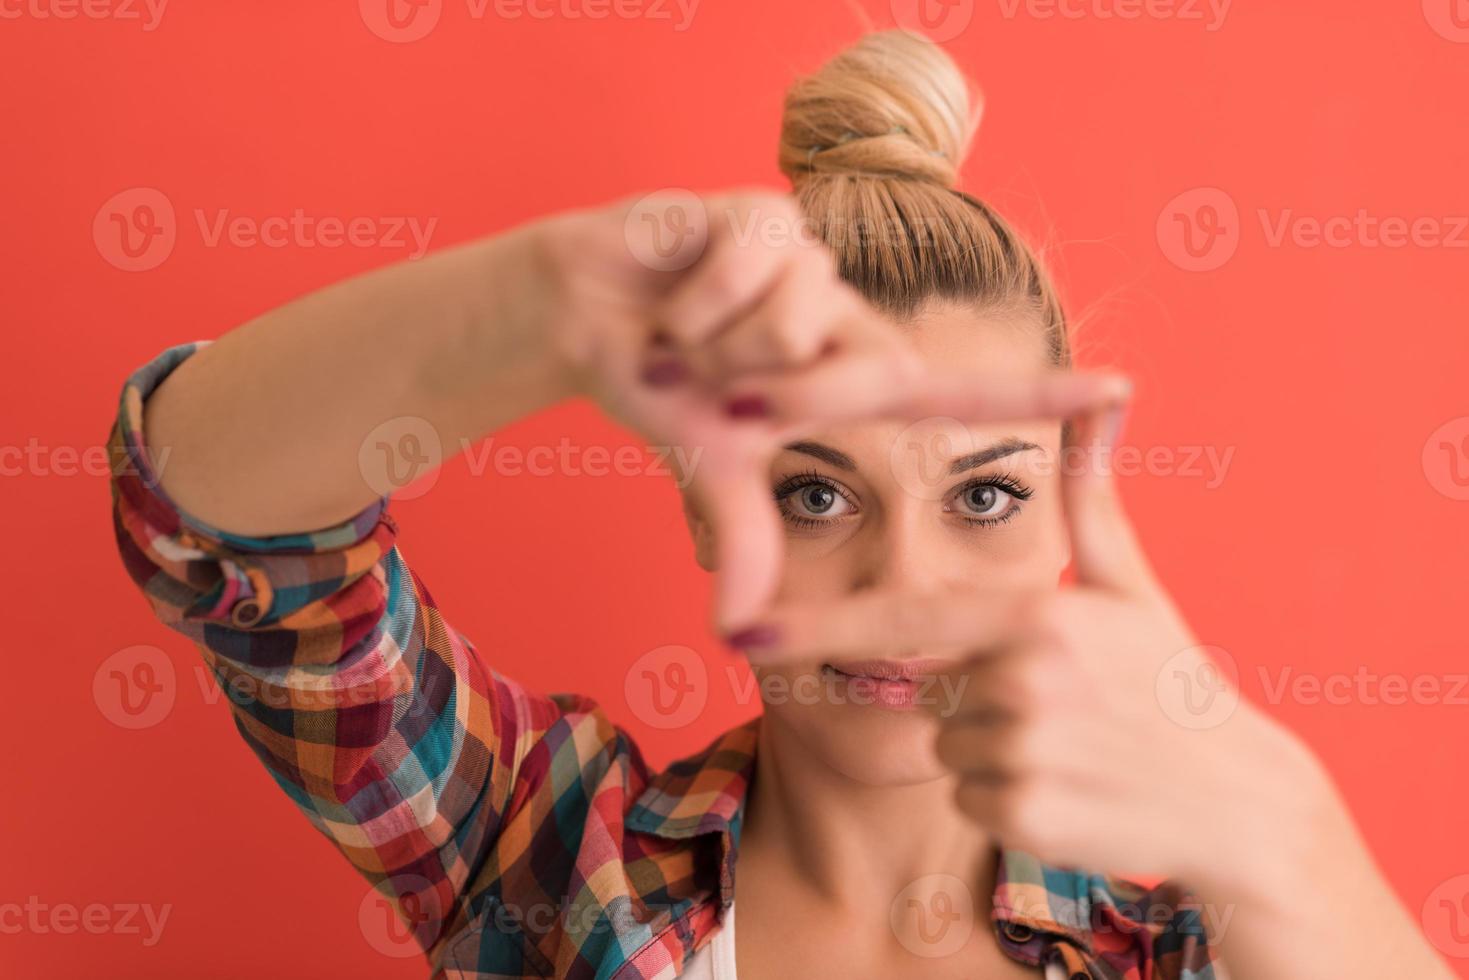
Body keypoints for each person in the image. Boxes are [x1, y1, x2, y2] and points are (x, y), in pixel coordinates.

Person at [107, 29, 1453, 980]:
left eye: (985, 495)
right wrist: (536, 306)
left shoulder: (1194, 954)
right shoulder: (544, 861)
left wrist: (1277, 830)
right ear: (705, 510)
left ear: (1063, 524)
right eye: (814, 492)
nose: (897, 577)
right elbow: (220, 532)